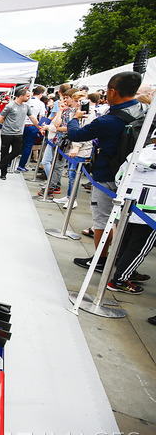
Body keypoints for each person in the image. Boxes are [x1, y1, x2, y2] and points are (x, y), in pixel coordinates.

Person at [67, 71, 145, 271]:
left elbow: (76, 134)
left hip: (107, 174)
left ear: (112, 91)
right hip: (135, 175)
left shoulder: (108, 120)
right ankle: (120, 262)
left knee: (102, 218)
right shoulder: (144, 111)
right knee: (125, 221)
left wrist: (74, 118)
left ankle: (100, 260)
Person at [106, 132, 156, 294]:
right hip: (151, 212)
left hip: (129, 205)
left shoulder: (139, 153)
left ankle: (126, 270)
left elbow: (119, 176)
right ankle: (120, 279)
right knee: (139, 248)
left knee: (127, 242)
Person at [54, 91, 95, 208]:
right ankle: (69, 197)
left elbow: (85, 131)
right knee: (71, 174)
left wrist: (77, 147)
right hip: (74, 146)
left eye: (81, 101)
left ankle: (73, 199)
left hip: (81, 148)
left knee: (73, 174)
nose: (78, 103)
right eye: (76, 101)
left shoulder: (89, 115)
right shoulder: (76, 113)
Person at [0, 87, 40, 180]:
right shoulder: (10, 106)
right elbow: (0, 119)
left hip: (18, 134)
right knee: (4, 153)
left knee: (17, 151)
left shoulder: (26, 107)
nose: (29, 98)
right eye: (27, 96)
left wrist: (39, 127)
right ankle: (3, 173)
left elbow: (33, 118)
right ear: (21, 96)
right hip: (7, 134)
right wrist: (7, 126)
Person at [18, 85, 47, 171]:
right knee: (28, 147)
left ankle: (9, 163)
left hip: (21, 125)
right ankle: (21, 165)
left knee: (17, 145)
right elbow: (42, 117)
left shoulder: (25, 101)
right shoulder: (41, 104)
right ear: (41, 94)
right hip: (32, 126)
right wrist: (41, 127)